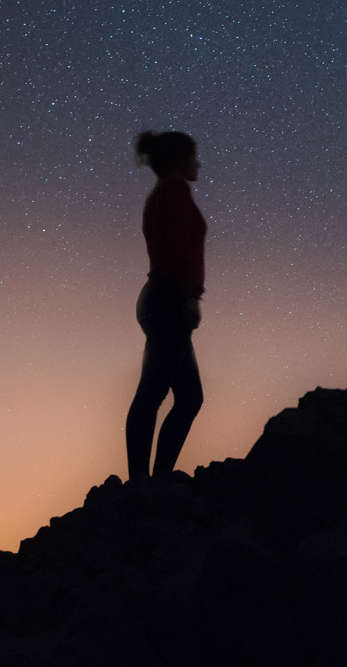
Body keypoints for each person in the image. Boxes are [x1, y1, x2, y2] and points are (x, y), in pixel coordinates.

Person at [124, 129, 206, 485]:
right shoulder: (175, 191)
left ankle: (155, 479)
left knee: (188, 397)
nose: (198, 163)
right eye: (194, 156)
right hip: (168, 297)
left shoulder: (163, 193)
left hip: (161, 297)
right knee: (155, 392)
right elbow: (180, 249)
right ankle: (144, 480)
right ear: (179, 160)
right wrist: (190, 295)